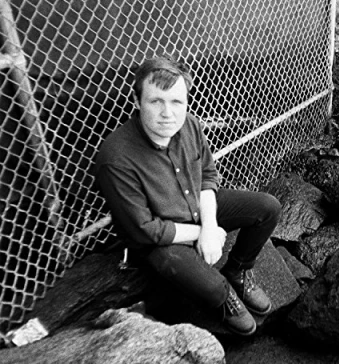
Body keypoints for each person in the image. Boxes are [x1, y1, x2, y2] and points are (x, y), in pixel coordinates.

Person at [95, 55, 281, 336]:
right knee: (212, 287)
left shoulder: (190, 125)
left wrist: (210, 226)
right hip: (160, 239)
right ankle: (224, 298)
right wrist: (201, 233)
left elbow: (207, 175)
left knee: (268, 208)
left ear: (186, 102)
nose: (167, 113)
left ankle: (239, 270)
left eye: (176, 102)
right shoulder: (115, 158)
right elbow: (145, 230)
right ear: (137, 101)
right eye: (156, 101)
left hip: (195, 206)